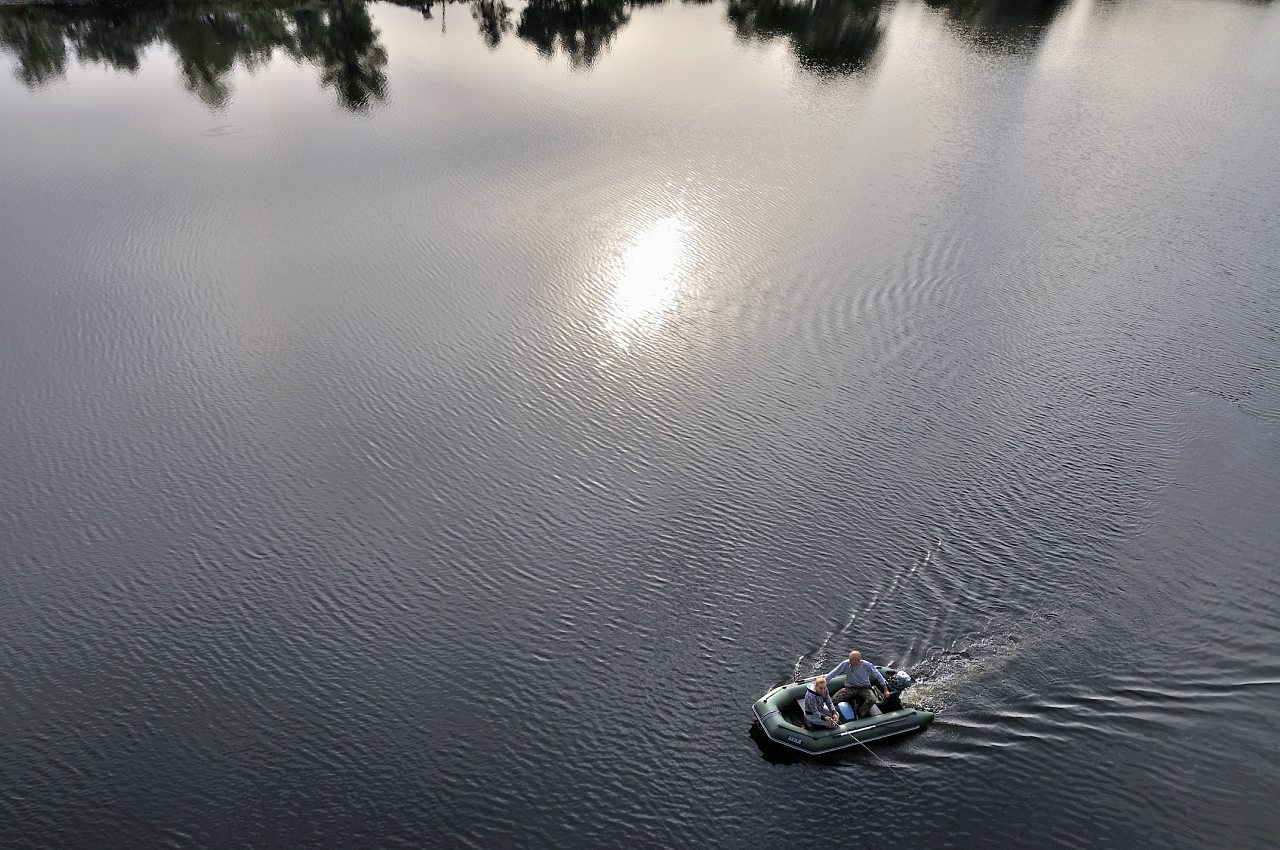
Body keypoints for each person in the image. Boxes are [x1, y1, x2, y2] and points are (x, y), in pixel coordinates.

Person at [826, 650, 890, 718]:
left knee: (872, 699)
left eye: (852, 660)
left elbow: (878, 676)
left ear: (858, 660)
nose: (850, 661)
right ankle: (831, 713)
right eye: (849, 659)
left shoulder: (867, 665)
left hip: (864, 688)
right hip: (850, 688)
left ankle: (861, 713)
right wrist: (824, 681)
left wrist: (885, 690)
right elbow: (834, 672)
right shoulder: (846, 663)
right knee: (834, 700)